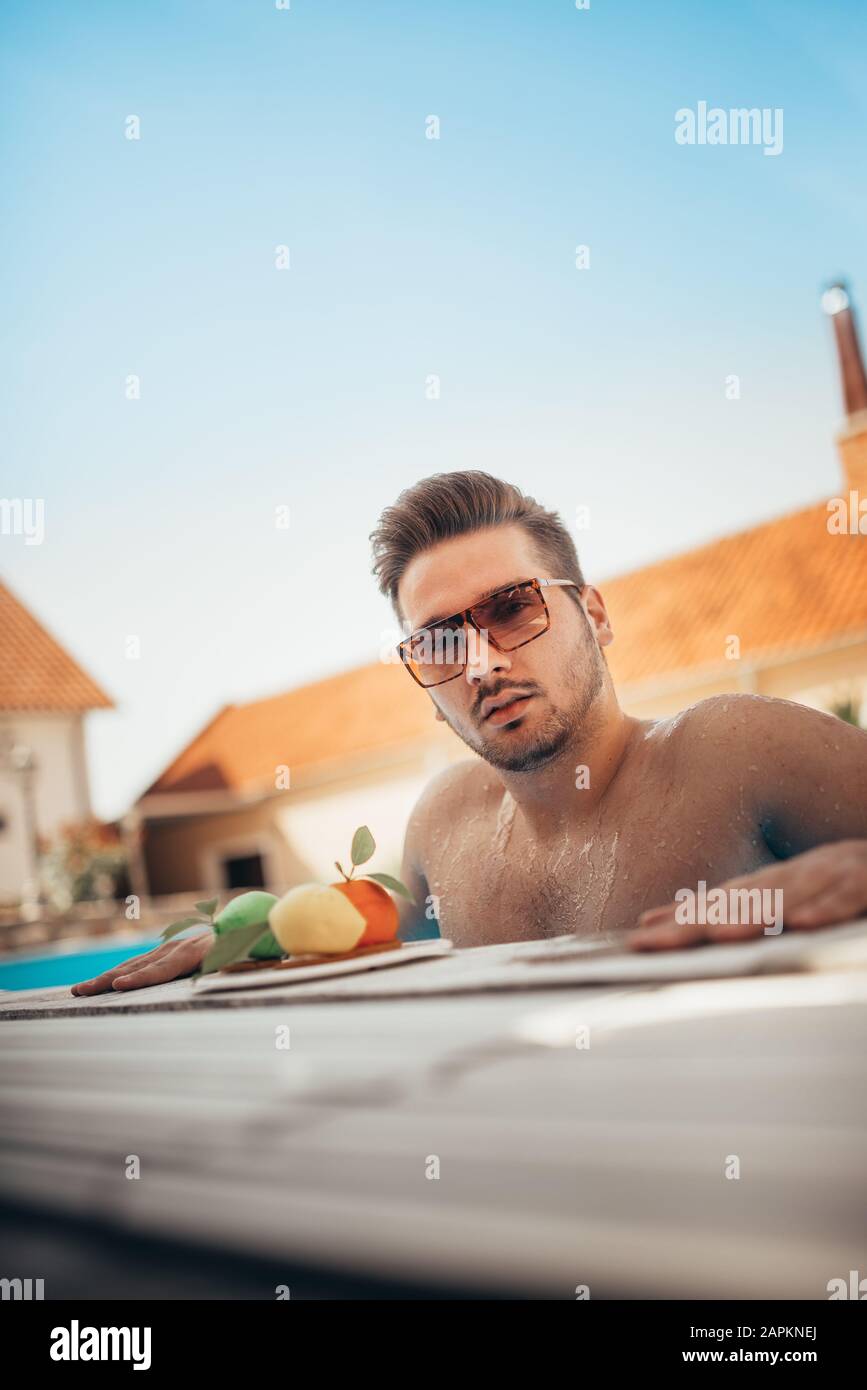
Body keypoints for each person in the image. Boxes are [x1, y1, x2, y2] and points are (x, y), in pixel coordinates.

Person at [72, 471, 867, 996]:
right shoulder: (443, 827)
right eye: (440, 640)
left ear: (592, 614)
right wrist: (254, 932)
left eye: (512, 606)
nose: (480, 664)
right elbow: (364, 930)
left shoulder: (733, 749)